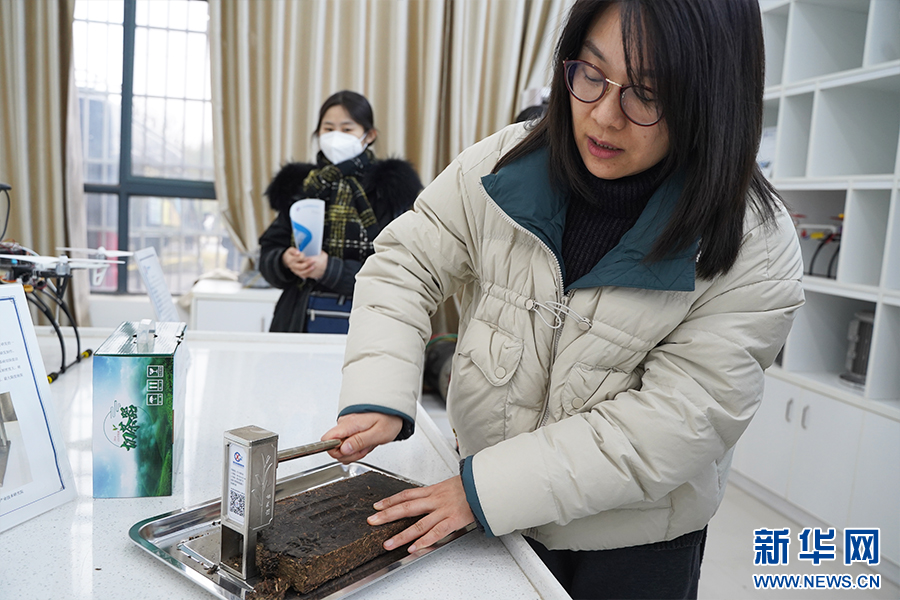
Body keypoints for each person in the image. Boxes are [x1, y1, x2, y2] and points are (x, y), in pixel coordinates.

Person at [322, 1, 804, 598]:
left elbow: (675, 423)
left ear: (712, 99)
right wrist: (381, 391)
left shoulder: (754, 243)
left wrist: (485, 491)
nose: (603, 116)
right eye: (591, 74)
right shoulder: (506, 162)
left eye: (647, 94)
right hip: (487, 513)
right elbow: (405, 264)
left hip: (635, 546)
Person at [258, 90, 422, 333]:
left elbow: (397, 268)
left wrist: (332, 270)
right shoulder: (302, 186)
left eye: (347, 129)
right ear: (318, 133)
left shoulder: (388, 190)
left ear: (369, 135)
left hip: (368, 322)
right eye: (328, 128)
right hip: (299, 319)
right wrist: (284, 260)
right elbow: (269, 251)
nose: (336, 136)